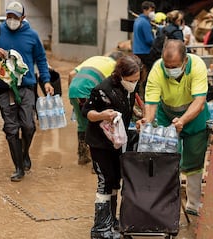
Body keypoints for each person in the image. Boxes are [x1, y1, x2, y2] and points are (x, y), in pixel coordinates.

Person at [136, 39, 210, 216]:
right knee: (166, 157)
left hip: (194, 114)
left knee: (194, 159)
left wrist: (183, 121)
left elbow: (199, 101)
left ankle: (193, 202)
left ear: (185, 61)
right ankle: (168, 202)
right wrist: (146, 120)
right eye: (167, 65)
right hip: (166, 113)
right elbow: (152, 102)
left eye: (174, 66)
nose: (170, 69)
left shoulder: (197, 66)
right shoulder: (157, 69)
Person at [0, 1, 54, 182]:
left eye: (15, 17)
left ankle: (24, 153)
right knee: (11, 129)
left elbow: (41, 59)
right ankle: (19, 167)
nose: (11, 20)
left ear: (23, 18)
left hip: (26, 87)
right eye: (9, 16)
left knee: (28, 126)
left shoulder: (32, 35)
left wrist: (47, 81)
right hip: (4, 88)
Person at [82, 55, 141, 239]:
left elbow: (129, 107)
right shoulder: (103, 89)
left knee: (116, 179)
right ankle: (100, 228)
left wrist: (139, 116)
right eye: (131, 80)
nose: (134, 83)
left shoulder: (131, 87)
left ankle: (111, 221)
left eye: (137, 79)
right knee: (104, 180)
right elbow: (87, 113)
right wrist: (102, 115)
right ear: (121, 75)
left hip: (117, 141)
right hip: (99, 142)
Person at [68, 51, 124, 166]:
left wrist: (73, 96)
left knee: (82, 123)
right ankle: (97, 162)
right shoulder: (114, 66)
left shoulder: (95, 58)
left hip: (73, 90)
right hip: (88, 92)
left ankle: (83, 156)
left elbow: (71, 74)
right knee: (97, 123)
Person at [132, 1, 155, 77]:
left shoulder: (137, 20)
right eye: (151, 10)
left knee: (138, 73)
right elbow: (149, 40)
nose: (153, 13)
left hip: (137, 51)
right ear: (145, 10)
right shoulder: (145, 22)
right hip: (145, 52)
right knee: (149, 73)